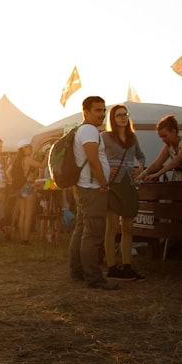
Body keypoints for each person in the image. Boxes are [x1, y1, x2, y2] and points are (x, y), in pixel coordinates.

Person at [68, 96, 120, 290]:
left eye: (103, 110)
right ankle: (94, 278)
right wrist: (104, 183)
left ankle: (77, 271)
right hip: (92, 189)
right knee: (93, 234)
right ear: (86, 112)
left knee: (81, 230)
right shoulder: (89, 130)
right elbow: (93, 160)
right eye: (97, 110)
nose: (102, 114)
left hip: (84, 188)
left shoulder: (81, 130)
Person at [102, 104, 147, 281]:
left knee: (128, 227)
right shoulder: (104, 137)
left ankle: (127, 266)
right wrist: (106, 168)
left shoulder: (132, 137)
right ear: (112, 118)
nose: (122, 117)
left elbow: (141, 156)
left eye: (125, 114)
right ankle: (112, 267)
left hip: (128, 183)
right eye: (118, 115)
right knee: (112, 226)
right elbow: (96, 157)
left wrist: (141, 168)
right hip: (113, 184)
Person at [141, 115, 182, 182]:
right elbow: (157, 164)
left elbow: (179, 160)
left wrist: (158, 174)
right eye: (161, 137)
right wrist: (142, 174)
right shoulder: (168, 147)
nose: (163, 140)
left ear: (173, 132)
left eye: (165, 136)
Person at [11, 140, 46, 244]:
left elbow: (8, 172)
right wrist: (48, 154)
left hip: (19, 188)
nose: (31, 149)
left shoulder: (16, 161)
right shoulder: (27, 159)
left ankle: (22, 238)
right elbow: (42, 166)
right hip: (29, 186)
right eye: (29, 147)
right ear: (24, 148)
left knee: (22, 214)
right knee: (29, 215)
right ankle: (26, 239)